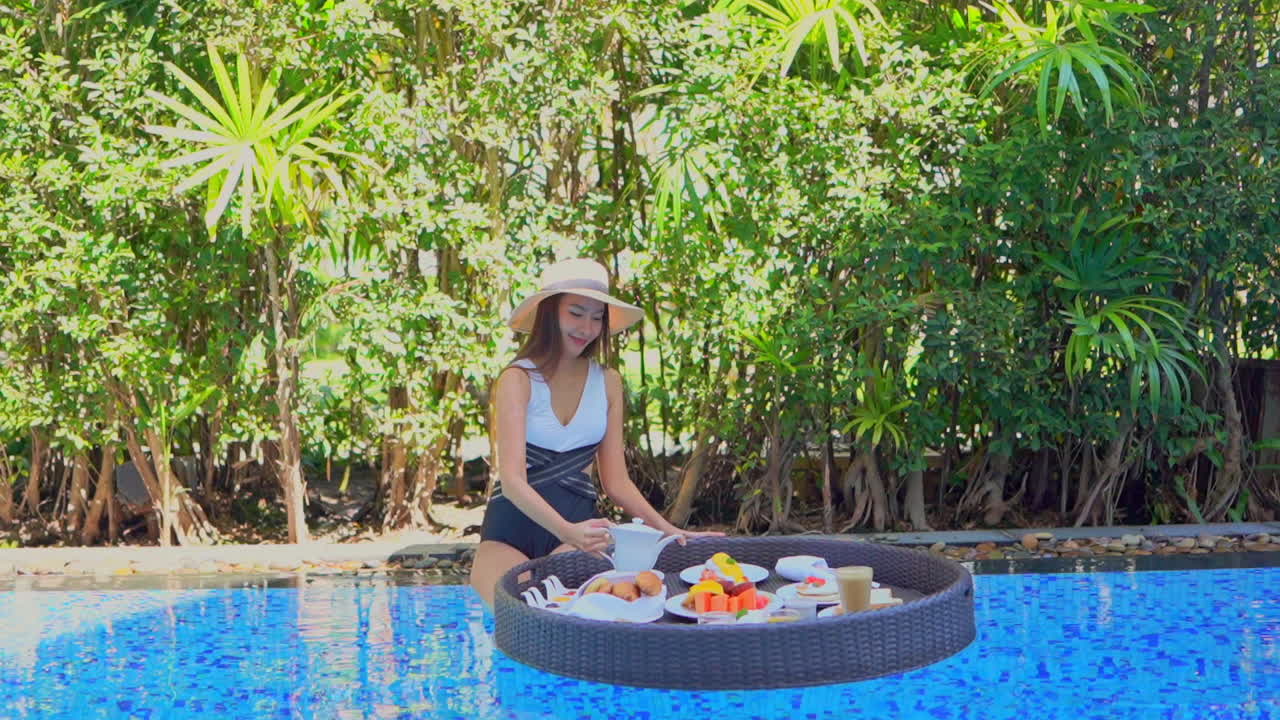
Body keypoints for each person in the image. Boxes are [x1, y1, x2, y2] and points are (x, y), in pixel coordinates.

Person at [469, 258, 722, 609]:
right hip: (510, 531)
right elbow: (512, 481)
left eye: (596, 316)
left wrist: (670, 530)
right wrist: (566, 530)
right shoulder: (518, 378)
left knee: (572, 615)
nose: (587, 327)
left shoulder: (608, 383)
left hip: (579, 533)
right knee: (518, 616)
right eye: (576, 313)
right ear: (549, 313)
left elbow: (616, 482)